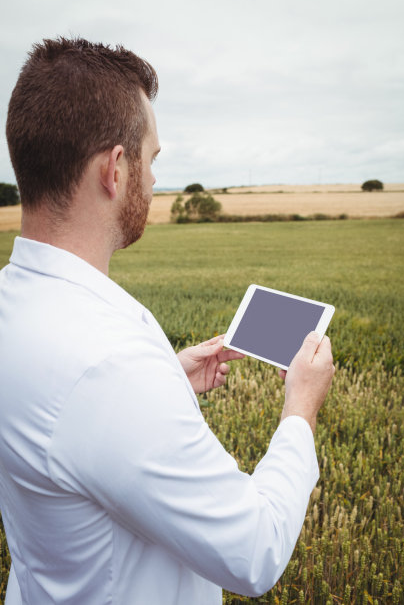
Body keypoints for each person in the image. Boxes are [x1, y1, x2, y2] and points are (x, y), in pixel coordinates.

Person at [0, 37, 335, 604]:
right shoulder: (110, 365)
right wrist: (300, 411)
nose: (155, 182)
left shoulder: (15, 302)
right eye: (152, 161)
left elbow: (64, 439)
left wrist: (167, 380)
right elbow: (253, 551)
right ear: (115, 167)